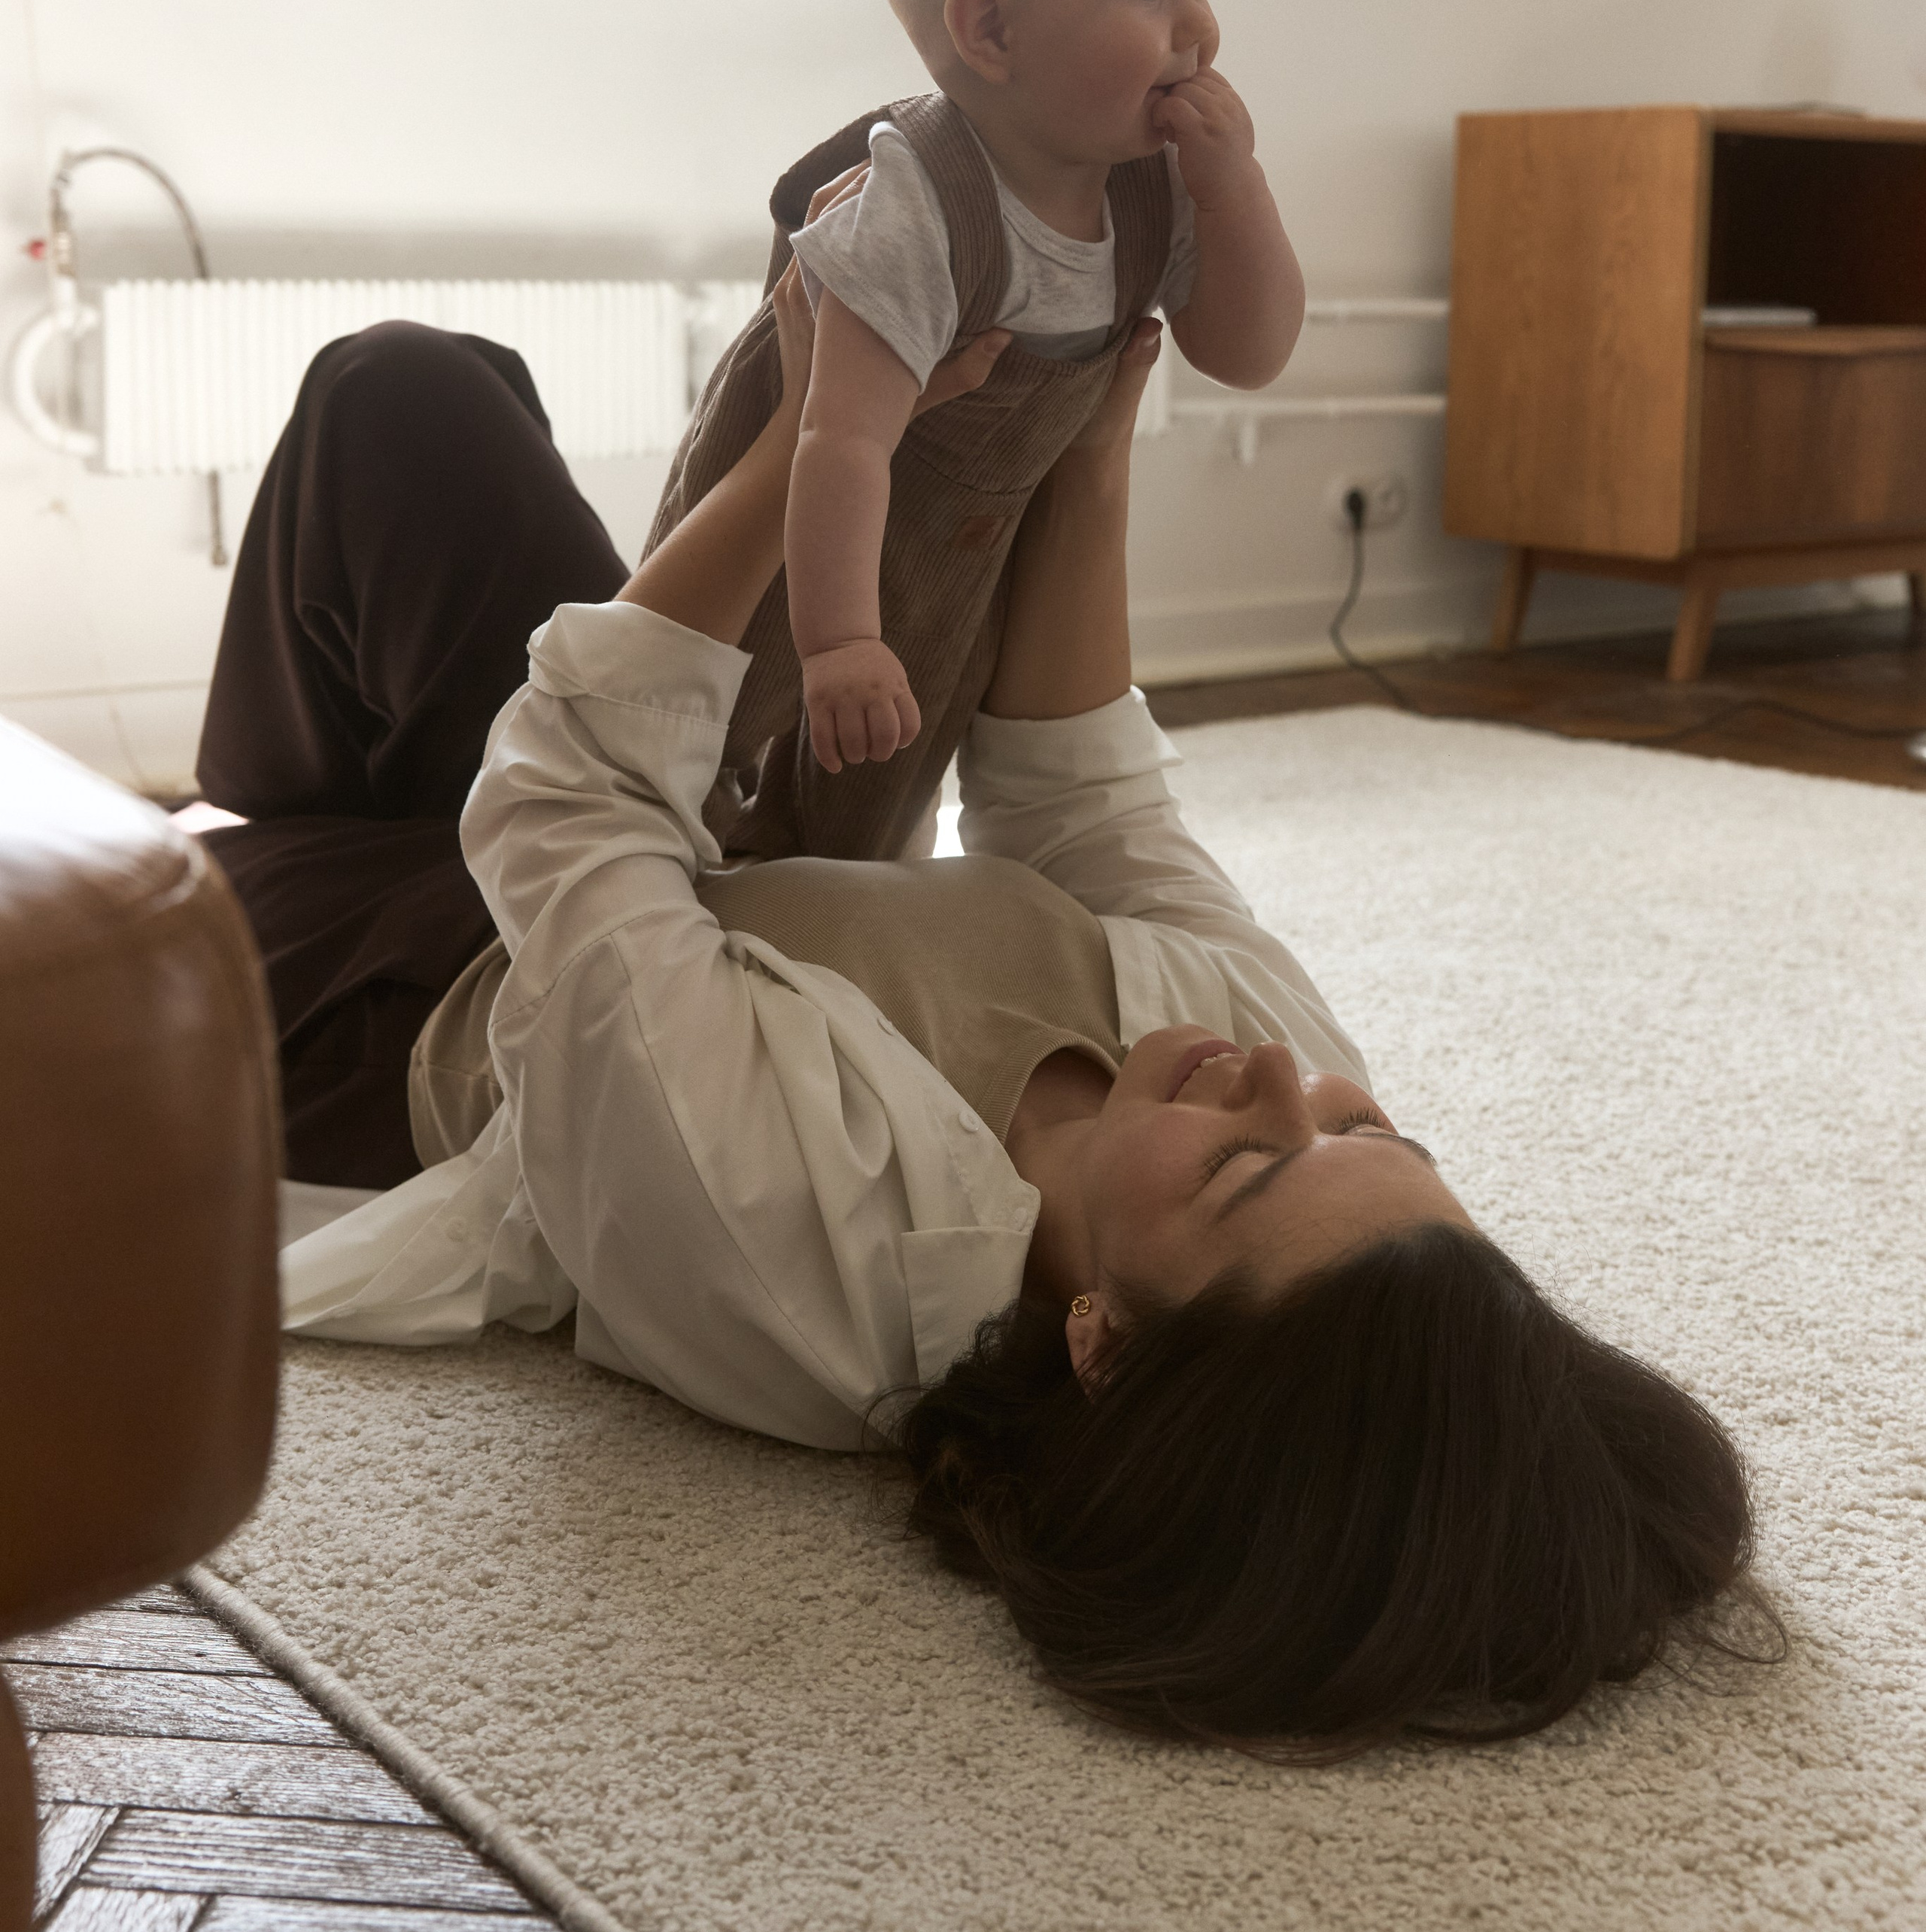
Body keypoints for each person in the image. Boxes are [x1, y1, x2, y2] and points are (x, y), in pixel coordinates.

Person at [213, 278, 1776, 1753]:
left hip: (411, 985)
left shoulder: (799, 1244)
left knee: (368, 472)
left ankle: (265, 808)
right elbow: (1082, 792)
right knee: (422, 394)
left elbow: (566, 801)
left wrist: (807, 436)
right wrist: (1087, 443)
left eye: (1248, 1168)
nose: (1276, 1088)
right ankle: (324, 745)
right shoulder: (1278, 1086)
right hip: (703, 854)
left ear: (1102, 1345)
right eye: (1365, 1128)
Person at [643, 0, 1305, 864]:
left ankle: (828, 905)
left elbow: (1249, 353)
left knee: (888, 785)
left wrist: (1238, 191)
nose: (1198, 24)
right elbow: (838, 438)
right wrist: (843, 639)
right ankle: (668, 871)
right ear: (990, 31)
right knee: (697, 719)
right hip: (802, 532)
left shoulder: (1158, 183)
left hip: (967, 553)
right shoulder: (915, 202)